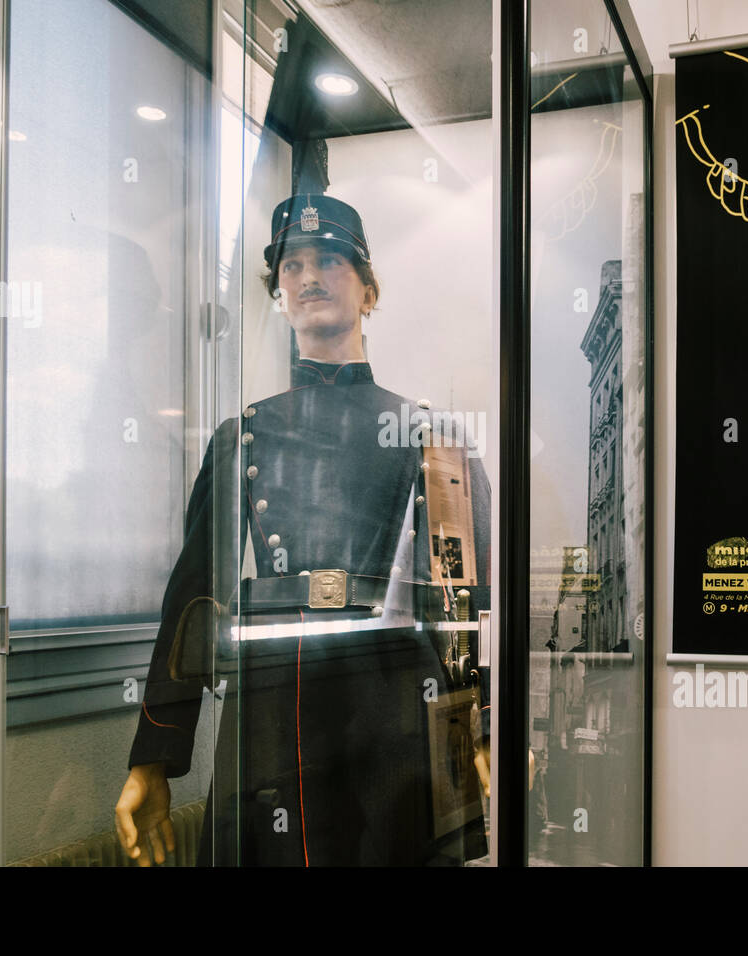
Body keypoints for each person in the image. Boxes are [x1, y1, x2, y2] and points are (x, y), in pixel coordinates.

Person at [114, 193, 491, 866]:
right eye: (292, 265)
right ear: (280, 293)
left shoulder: (434, 438)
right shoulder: (243, 436)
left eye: (331, 260)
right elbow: (194, 601)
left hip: (395, 702)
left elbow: (468, 604)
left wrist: (484, 726)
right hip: (272, 707)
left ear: (370, 290)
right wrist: (154, 760)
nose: (309, 277)